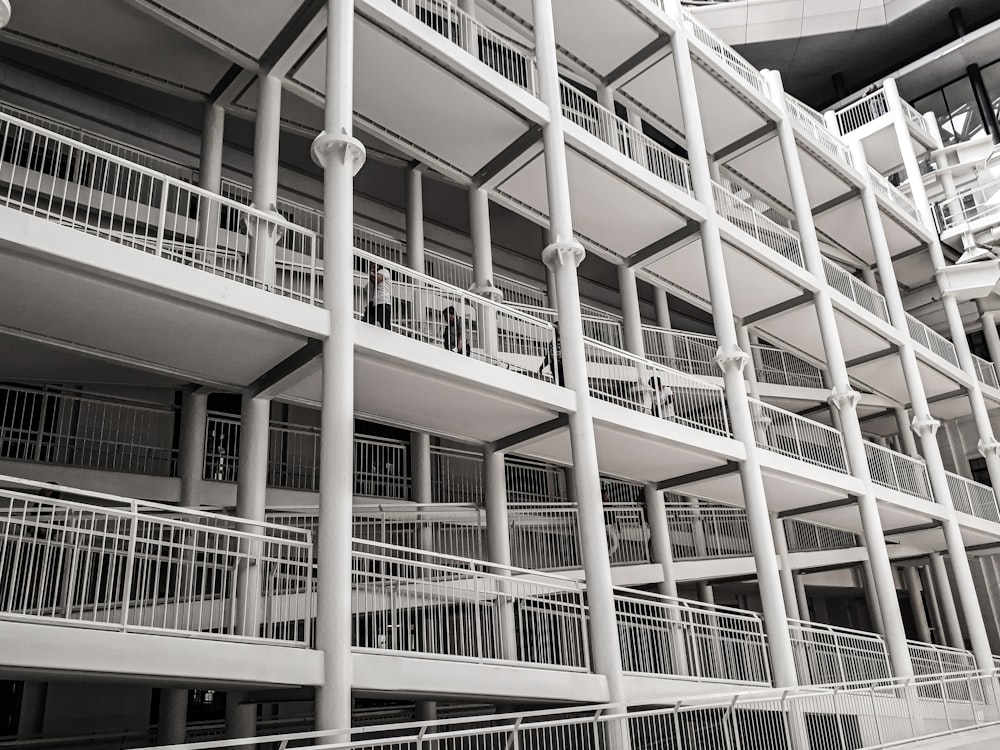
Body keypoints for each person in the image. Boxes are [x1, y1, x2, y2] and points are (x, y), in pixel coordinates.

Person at [365, 262, 392, 330]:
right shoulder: (374, 276)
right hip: (373, 304)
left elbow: (376, 279)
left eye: (374, 266)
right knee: (367, 323)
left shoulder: (384, 271)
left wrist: (371, 272)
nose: (373, 268)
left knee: (385, 326)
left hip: (382, 302)